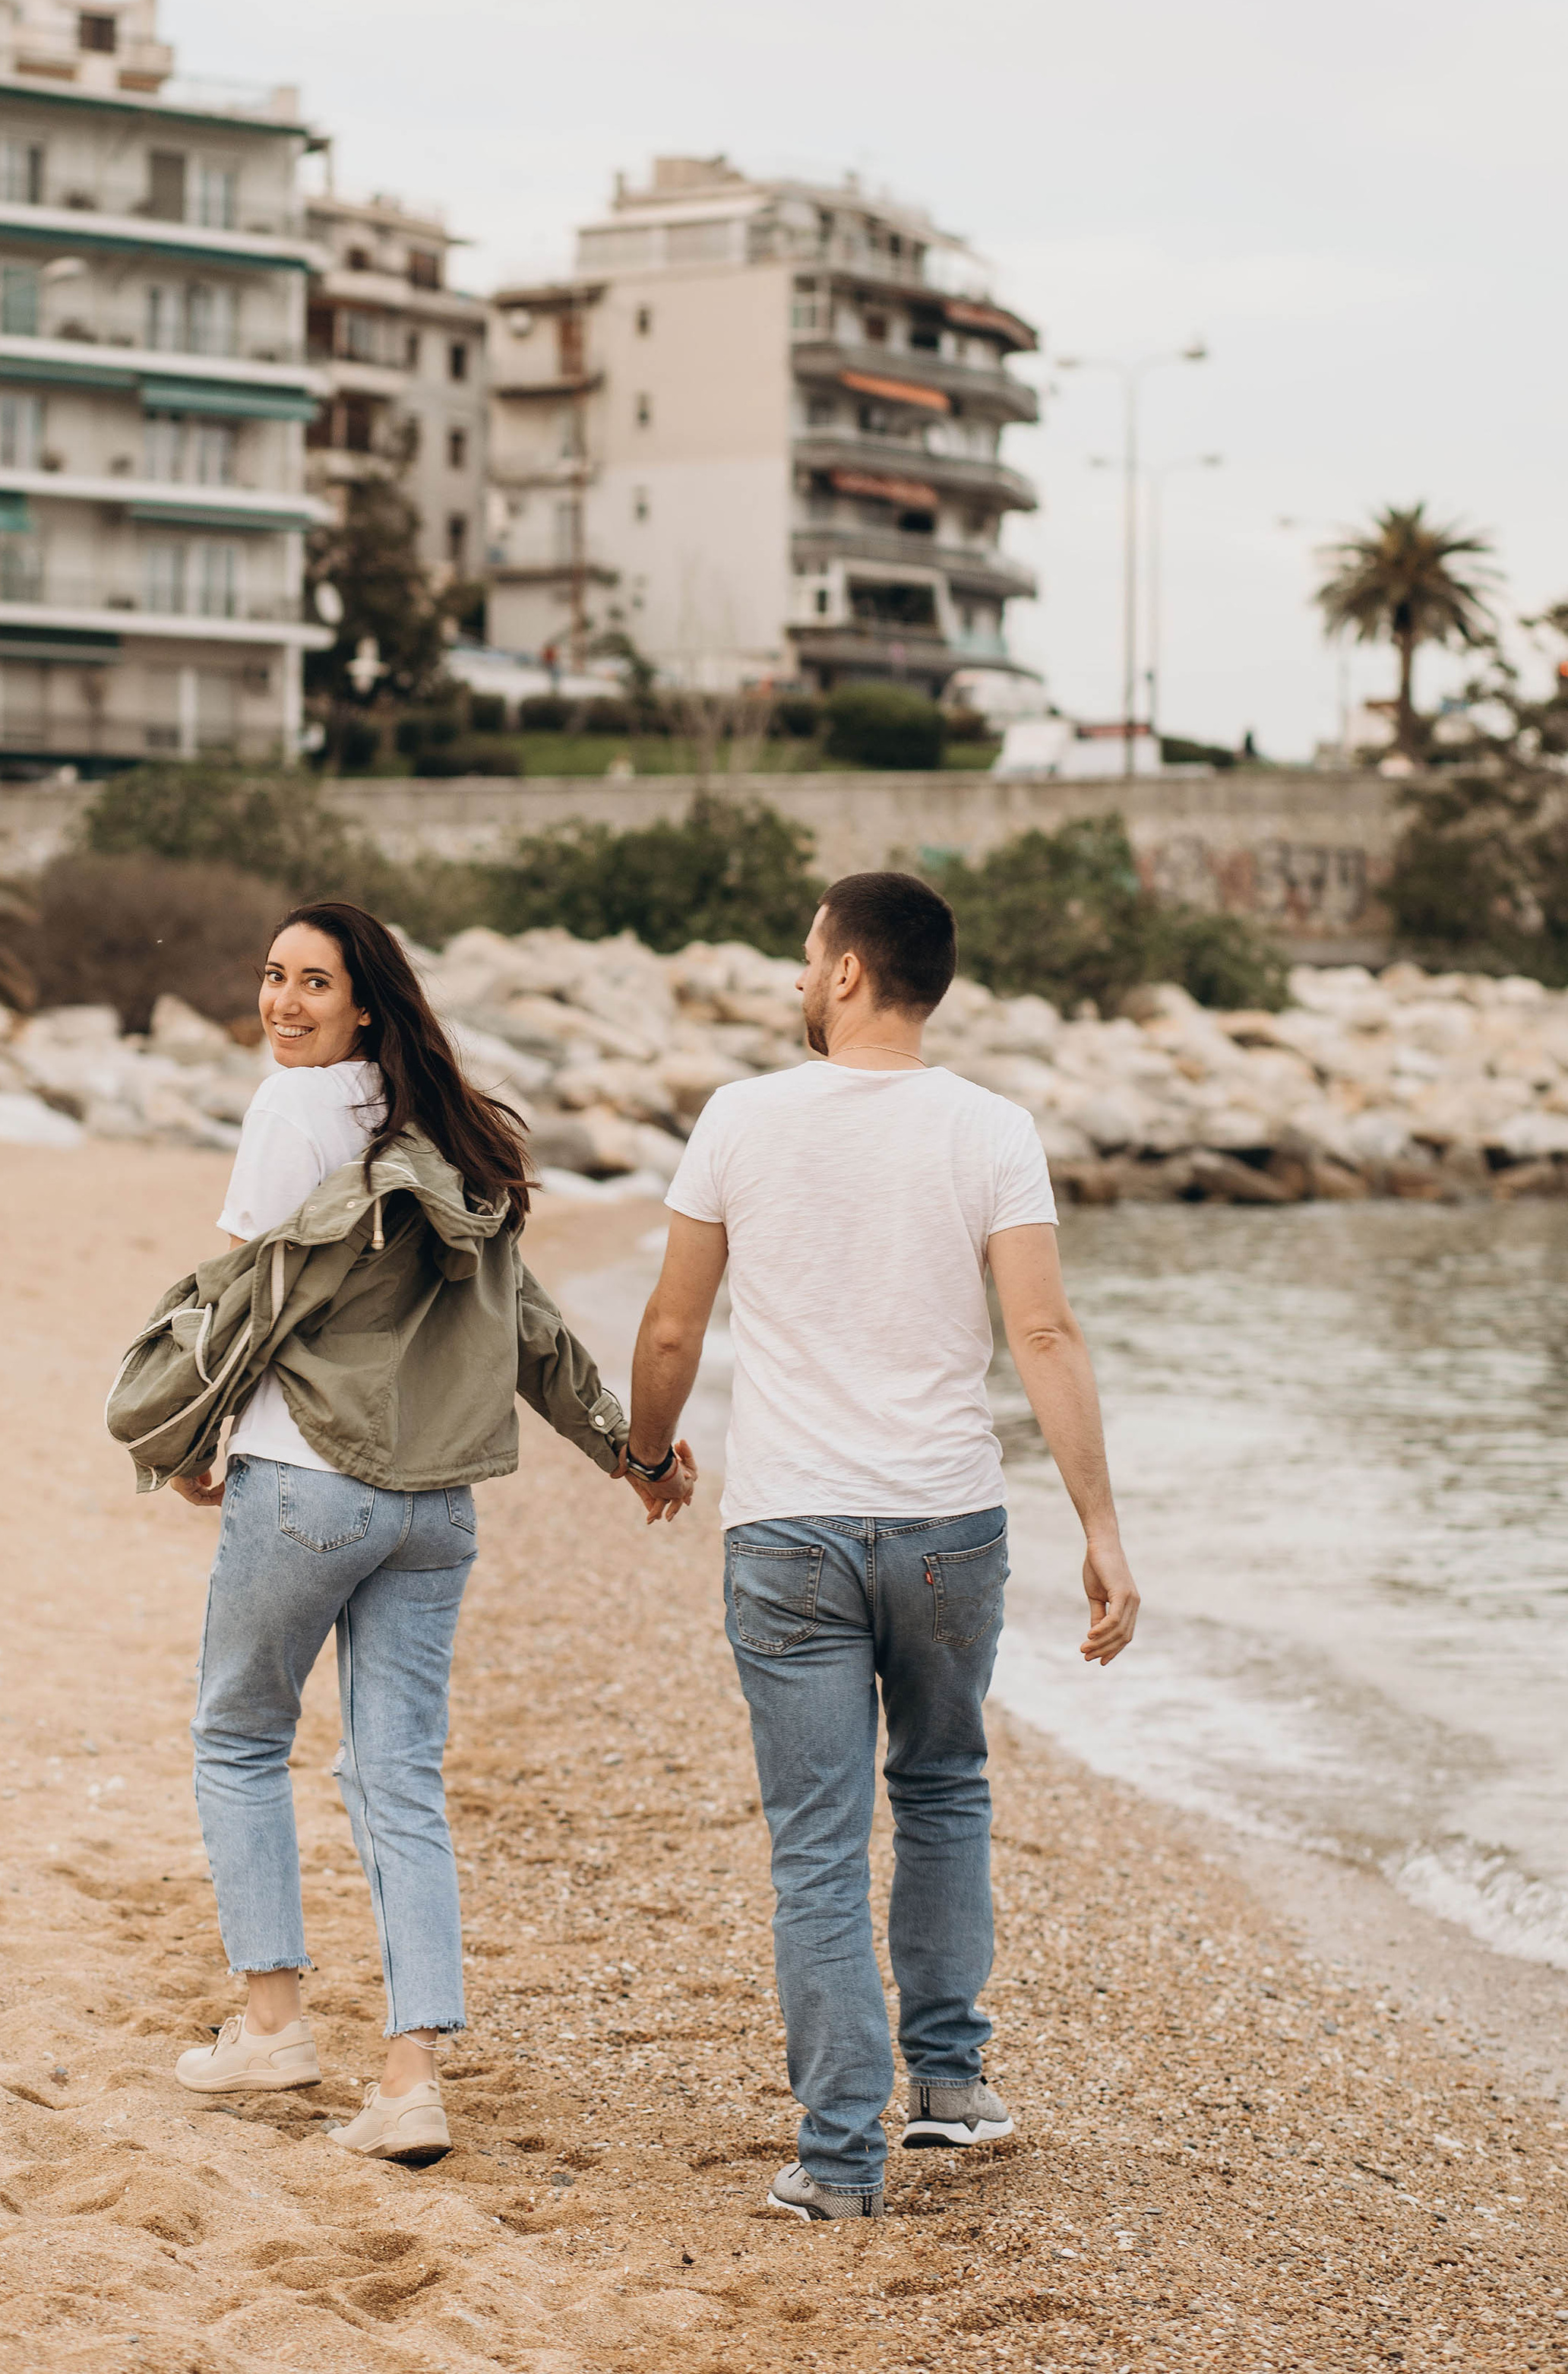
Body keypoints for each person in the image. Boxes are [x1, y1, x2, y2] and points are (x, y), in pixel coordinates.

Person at [626, 869, 1139, 2220]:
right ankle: (951, 2086)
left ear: (850, 971)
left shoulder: (739, 1117)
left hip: (789, 1523)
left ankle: (841, 2159)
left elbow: (675, 1327)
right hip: (945, 1525)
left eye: (808, 955)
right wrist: (1100, 1525)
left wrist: (646, 1450)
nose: (799, 977)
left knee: (816, 1842)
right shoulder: (990, 1127)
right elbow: (1043, 1336)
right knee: (946, 1787)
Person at [163, 901, 696, 2164]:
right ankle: (409, 2079)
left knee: (239, 1737)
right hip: (435, 1509)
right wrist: (631, 1451)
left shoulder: (289, 1112)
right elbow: (532, 1328)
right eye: (273, 975)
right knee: (398, 1775)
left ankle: (274, 2024)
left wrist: (196, 1435)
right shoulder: (459, 1132)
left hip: (306, 1484)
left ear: (365, 1002)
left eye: (313, 982)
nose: (283, 1001)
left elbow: (234, 1305)